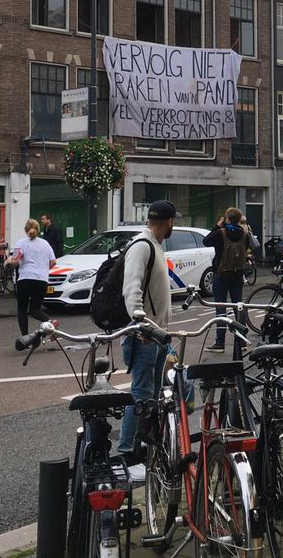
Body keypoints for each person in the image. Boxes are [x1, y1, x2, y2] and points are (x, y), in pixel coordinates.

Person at [117, 200, 176, 469]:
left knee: (152, 394)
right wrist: (140, 323)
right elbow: (132, 288)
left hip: (157, 335)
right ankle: (128, 451)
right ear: (168, 222)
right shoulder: (142, 246)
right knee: (141, 394)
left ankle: (144, 446)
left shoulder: (154, 245)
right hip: (145, 335)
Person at [204, 207, 255, 351]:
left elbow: (206, 241)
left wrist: (217, 226)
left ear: (226, 219)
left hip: (221, 273)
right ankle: (241, 340)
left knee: (221, 308)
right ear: (239, 219)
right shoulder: (244, 234)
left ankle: (220, 343)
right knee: (239, 306)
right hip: (238, 273)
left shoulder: (220, 233)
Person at [5, 219, 56, 336]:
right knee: (35, 310)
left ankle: (25, 338)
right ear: (38, 230)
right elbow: (53, 262)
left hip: (25, 279)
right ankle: (50, 323)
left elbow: (15, 260)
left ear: (25, 230)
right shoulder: (45, 244)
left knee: (22, 310)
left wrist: (7, 261)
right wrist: (43, 269)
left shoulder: (21, 243)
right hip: (41, 280)